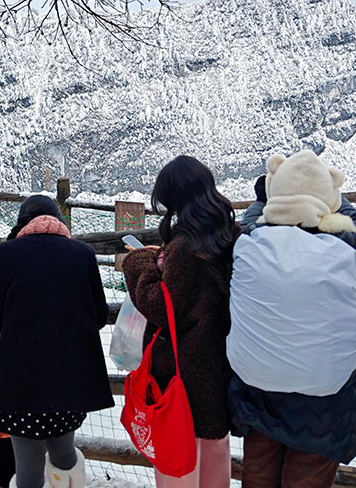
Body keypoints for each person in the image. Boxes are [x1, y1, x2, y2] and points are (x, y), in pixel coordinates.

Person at [228, 150, 356, 488]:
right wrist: (327, 196)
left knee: (259, 468)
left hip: (258, 383)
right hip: (326, 393)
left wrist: (271, 193)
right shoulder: (345, 244)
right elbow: (352, 216)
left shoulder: (248, 240)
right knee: (308, 473)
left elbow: (254, 212)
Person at [121, 157, 239, 488]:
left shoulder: (187, 246)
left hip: (182, 374)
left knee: (178, 461)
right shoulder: (229, 234)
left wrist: (140, 261)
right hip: (219, 366)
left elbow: (161, 305)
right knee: (215, 451)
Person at [0, 195, 111, 488]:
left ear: (22, 222)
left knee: (27, 465)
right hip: (70, 376)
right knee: (64, 452)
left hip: (21, 377)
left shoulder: (2, 255)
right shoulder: (82, 253)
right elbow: (101, 315)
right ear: (59, 220)